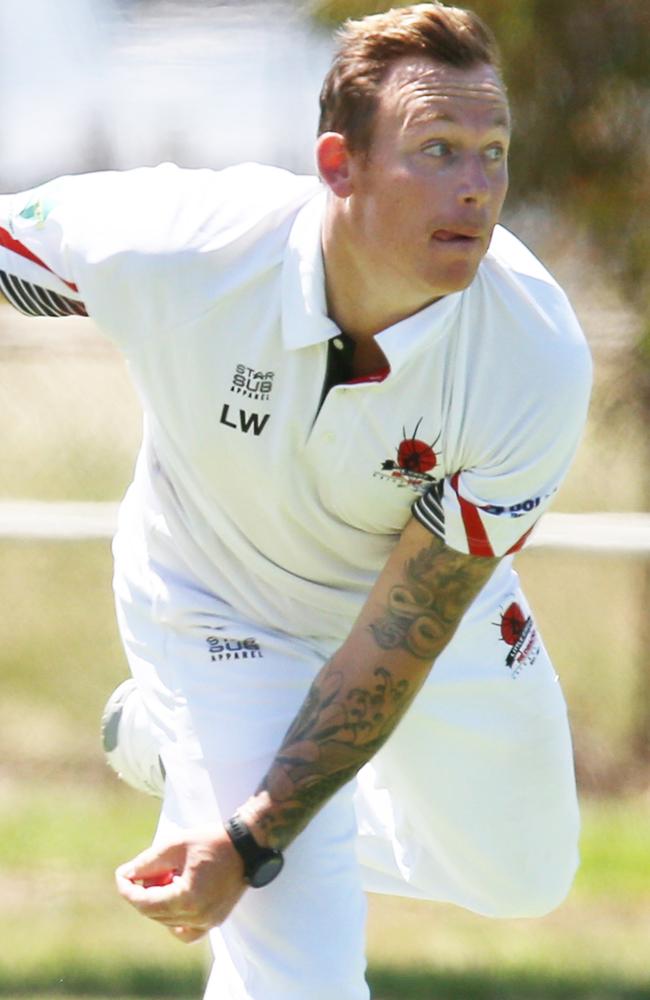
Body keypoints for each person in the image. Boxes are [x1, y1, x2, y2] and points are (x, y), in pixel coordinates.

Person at [0, 4, 592, 998]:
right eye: (436, 149)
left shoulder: (529, 354)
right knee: (296, 966)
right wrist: (249, 837)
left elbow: (397, 638)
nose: (475, 188)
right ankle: (207, 749)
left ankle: (165, 744)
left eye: (491, 153)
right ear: (337, 165)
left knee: (524, 877)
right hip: (216, 609)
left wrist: (253, 826)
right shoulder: (186, 244)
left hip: (415, 621)